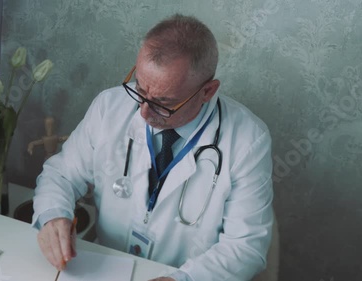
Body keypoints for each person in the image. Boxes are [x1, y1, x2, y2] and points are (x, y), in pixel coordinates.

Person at [32, 14, 274, 281]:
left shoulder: (248, 141)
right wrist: (53, 215)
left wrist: (181, 279)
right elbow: (62, 174)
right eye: (140, 90)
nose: (144, 113)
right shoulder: (109, 107)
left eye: (163, 103)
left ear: (207, 91)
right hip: (107, 270)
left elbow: (246, 247)